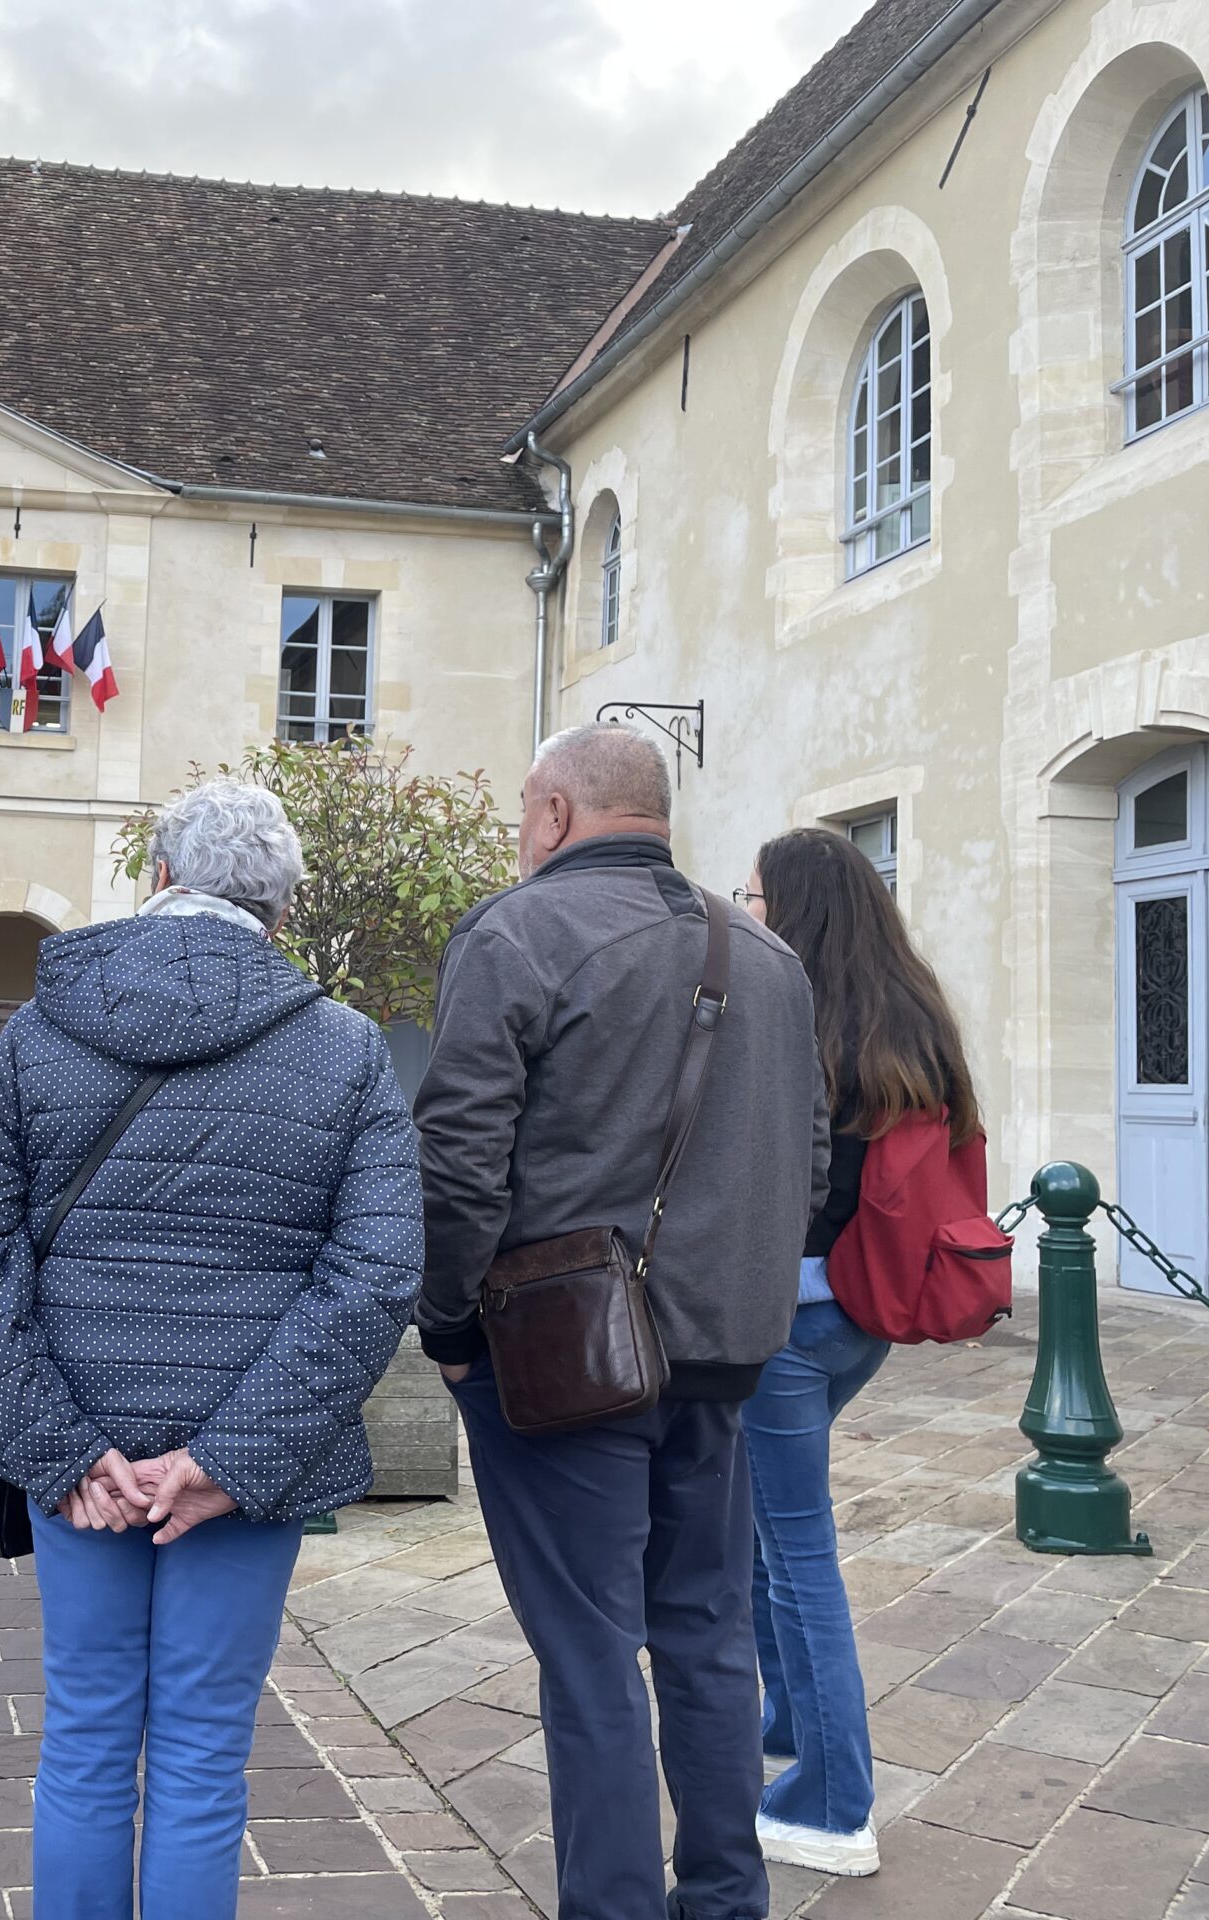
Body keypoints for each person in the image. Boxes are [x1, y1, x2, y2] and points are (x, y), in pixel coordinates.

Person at [0, 777, 422, 1920]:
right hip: (245, 1472)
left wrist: (56, 1446)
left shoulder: (40, 1036)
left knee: (88, 1740)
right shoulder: (347, 1055)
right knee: (202, 1759)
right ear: (282, 911)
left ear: (157, 877)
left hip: (84, 1465)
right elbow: (376, 1274)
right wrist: (235, 1459)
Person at [414, 724, 828, 1920]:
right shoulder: (767, 957)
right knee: (705, 1637)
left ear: (551, 812)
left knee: (590, 1657)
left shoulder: (517, 931)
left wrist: (446, 1326)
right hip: (723, 1360)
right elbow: (805, 1169)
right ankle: (723, 1900)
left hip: (561, 1356)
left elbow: (455, 1160)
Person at [734, 827, 980, 1877]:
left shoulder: (790, 1018)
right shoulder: (913, 1017)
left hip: (786, 1326)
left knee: (796, 1557)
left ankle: (835, 1806)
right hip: (866, 1317)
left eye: (751, 896)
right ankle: (788, 1730)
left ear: (791, 907)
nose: (742, 911)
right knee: (760, 1526)